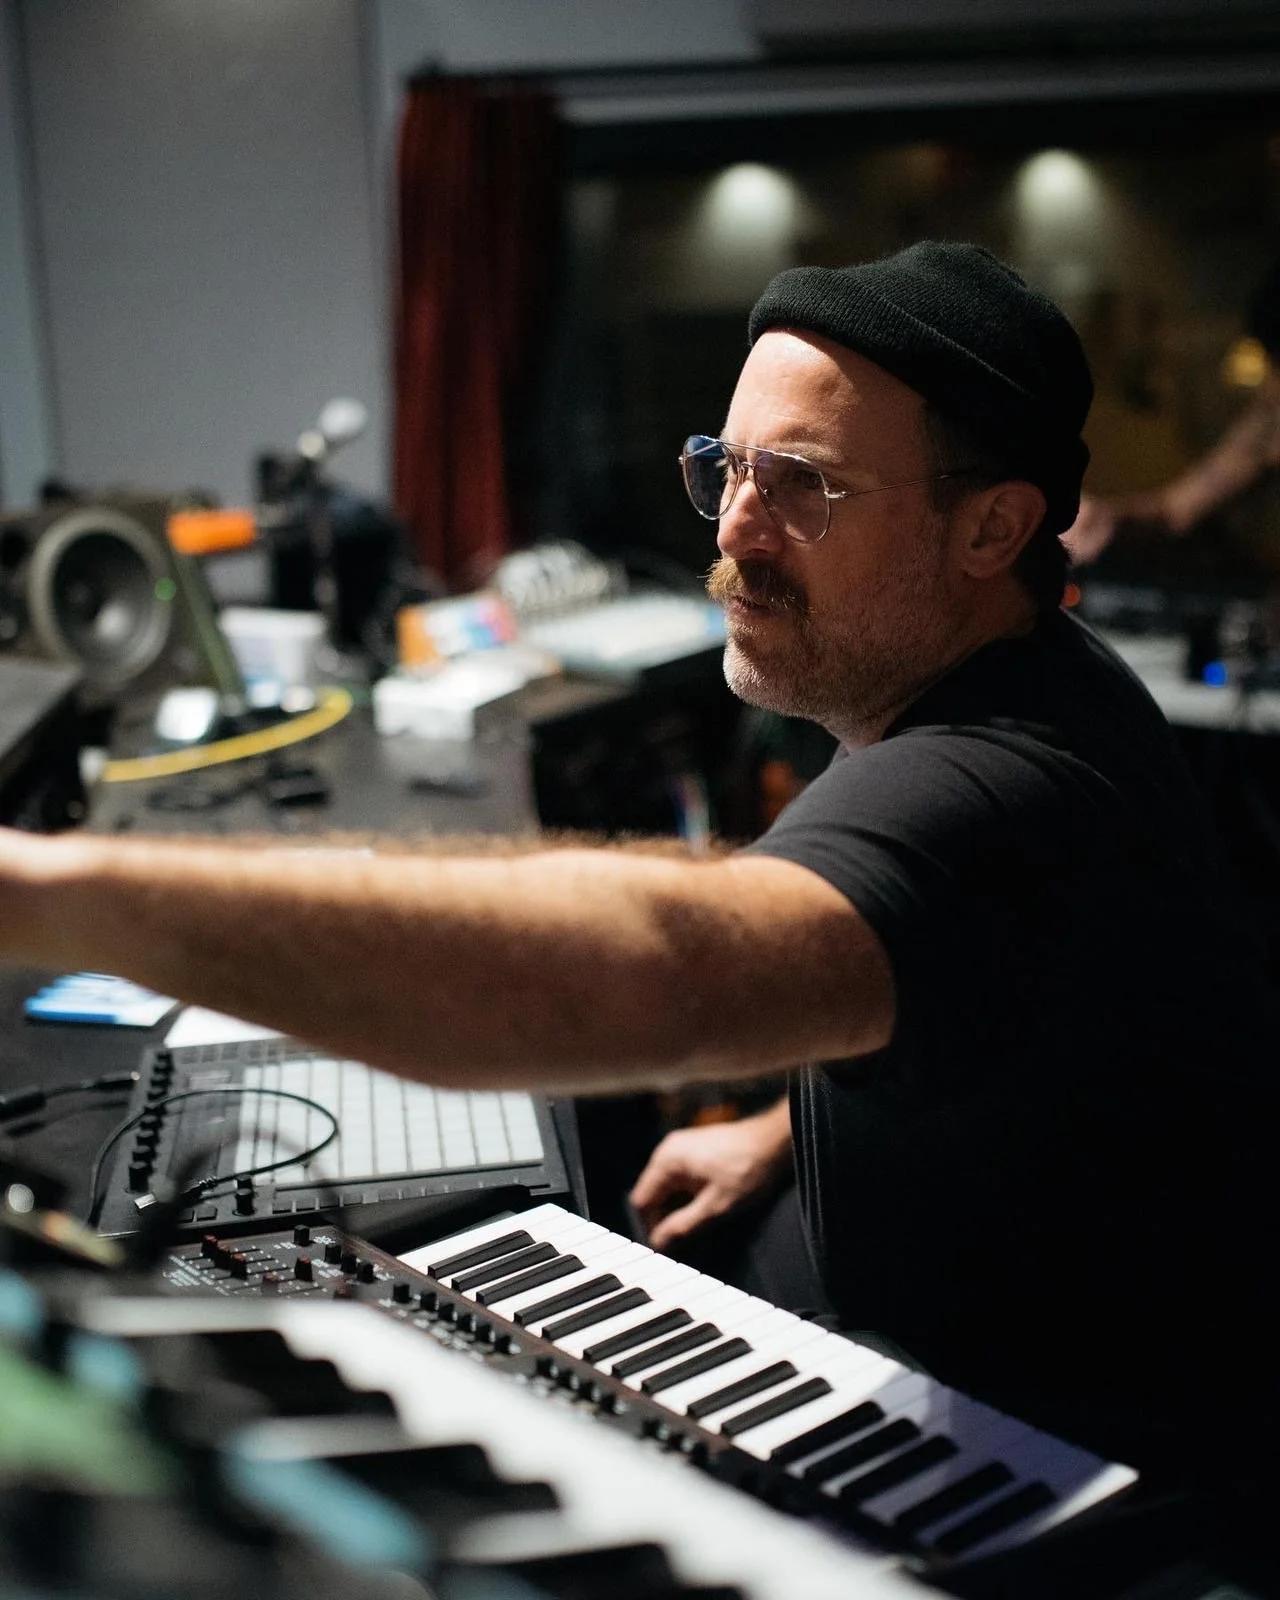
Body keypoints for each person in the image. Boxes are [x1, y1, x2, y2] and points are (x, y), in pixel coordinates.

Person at [1, 242, 1275, 1486]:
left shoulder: (996, 778)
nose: (737, 530)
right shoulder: (1034, 677)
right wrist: (785, 1128)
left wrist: (46, 891)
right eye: (726, 467)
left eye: (803, 486)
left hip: (1039, 1469)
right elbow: (991, 1001)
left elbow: (664, 966)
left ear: (990, 525)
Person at [1065, 256, 1280, 565]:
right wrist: (1107, 519)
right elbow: (1176, 509)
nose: (1270, 388)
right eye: (1273, 365)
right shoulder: (1267, 420)